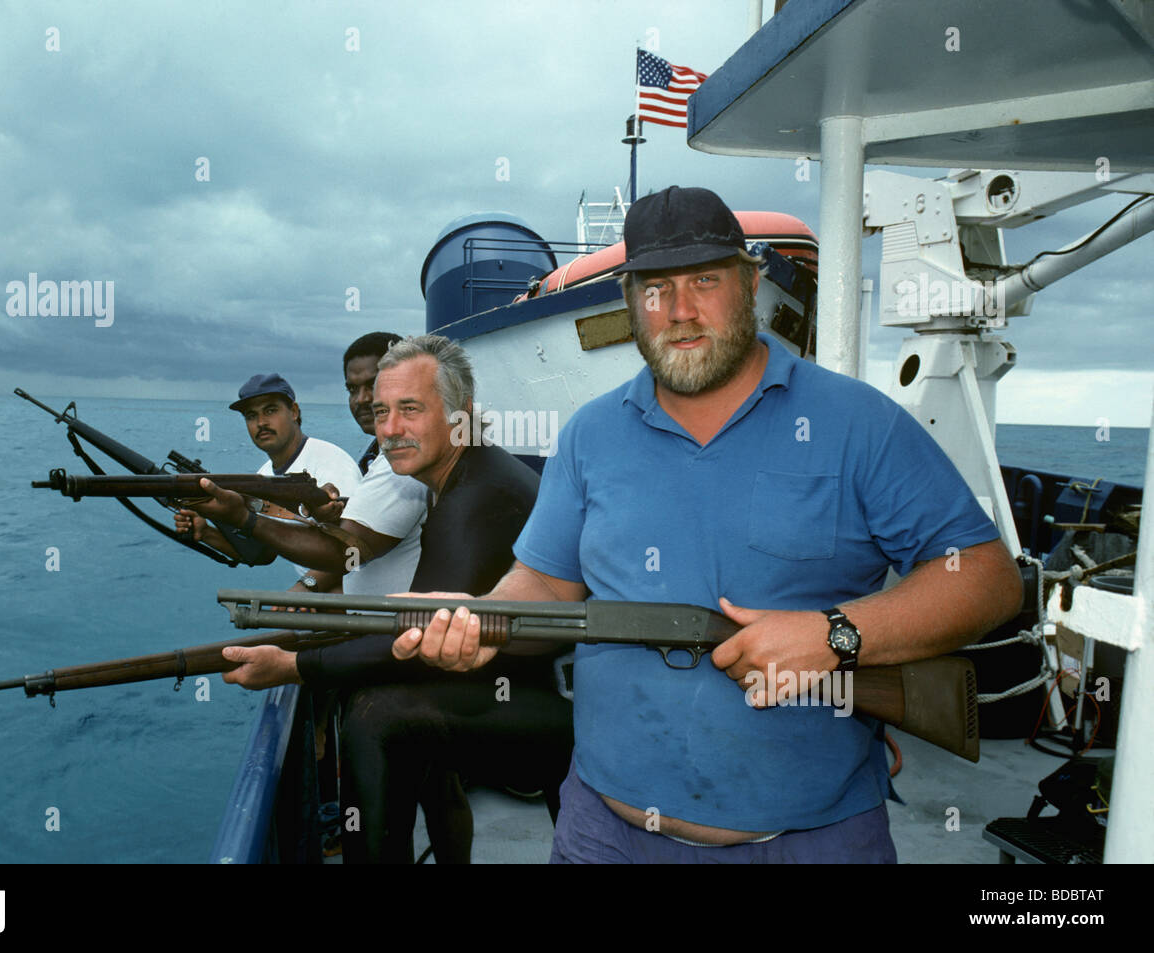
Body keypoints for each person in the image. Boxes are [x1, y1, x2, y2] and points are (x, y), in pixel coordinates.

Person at [392, 186, 1024, 863]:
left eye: (705, 280)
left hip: (815, 843)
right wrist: (477, 618)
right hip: (604, 835)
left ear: (750, 283)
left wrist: (833, 635)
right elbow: (546, 586)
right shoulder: (589, 435)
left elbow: (988, 579)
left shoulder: (857, 423)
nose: (681, 311)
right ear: (630, 301)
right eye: (655, 288)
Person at [214, 335, 574, 863]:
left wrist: (291, 664)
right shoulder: (465, 474)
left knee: (376, 715)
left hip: (566, 716)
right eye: (381, 412)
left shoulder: (477, 495)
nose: (388, 429)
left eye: (410, 410)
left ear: (461, 415)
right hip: (527, 680)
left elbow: (408, 634)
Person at [174, 372, 361, 582]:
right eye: (251, 416)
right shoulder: (264, 476)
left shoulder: (331, 461)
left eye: (270, 410)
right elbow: (263, 553)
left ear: (294, 411)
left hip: (353, 600)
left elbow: (352, 552)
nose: (261, 422)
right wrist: (207, 533)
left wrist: (305, 588)